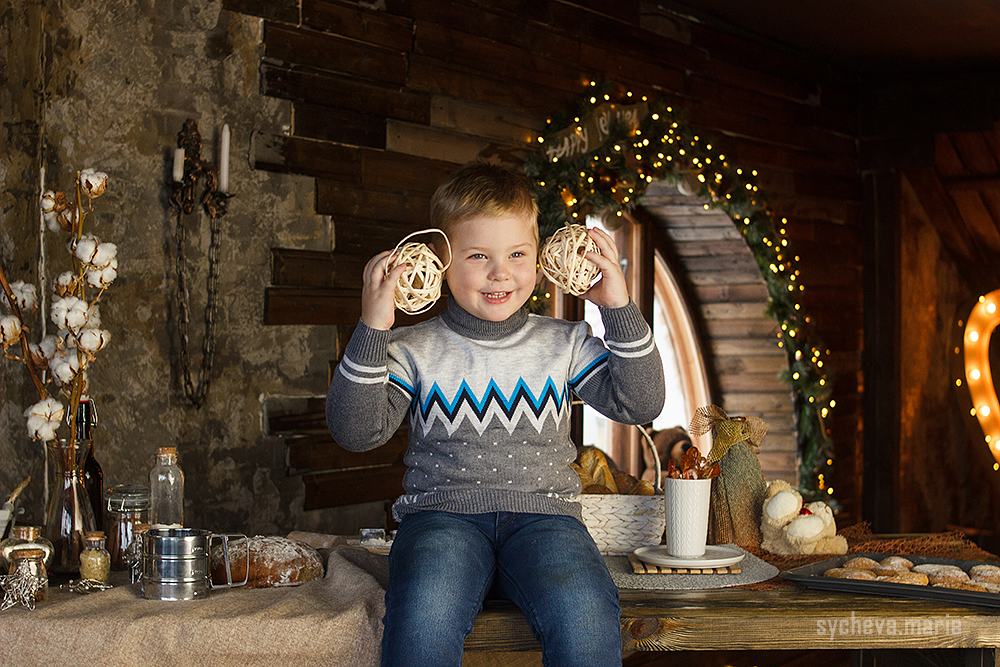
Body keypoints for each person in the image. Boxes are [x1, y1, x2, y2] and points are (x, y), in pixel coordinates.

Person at [326, 162, 665, 667]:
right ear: (439, 262)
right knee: (423, 616)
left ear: (540, 259)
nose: (500, 272)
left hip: (547, 519)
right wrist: (373, 327)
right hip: (441, 518)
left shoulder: (565, 343)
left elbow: (641, 402)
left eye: (517, 254)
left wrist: (617, 306)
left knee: (586, 616)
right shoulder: (410, 348)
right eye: (478, 255)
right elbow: (355, 432)